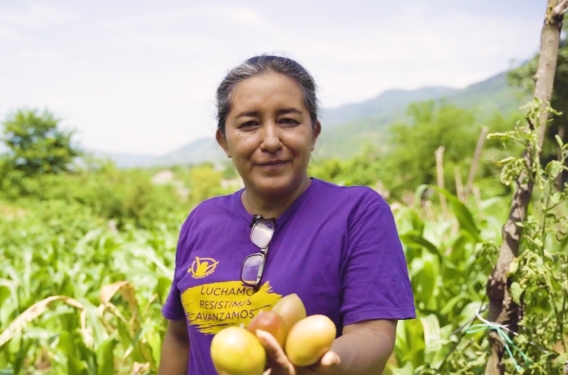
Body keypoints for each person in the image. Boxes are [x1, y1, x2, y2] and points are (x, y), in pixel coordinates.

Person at [159, 55, 416, 375]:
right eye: (249, 124)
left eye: (288, 121)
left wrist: (322, 365)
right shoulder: (202, 220)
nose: (270, 141)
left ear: (314, 133)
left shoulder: (357, 213)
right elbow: (180, 337)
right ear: (224, 140)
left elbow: (374, 334)